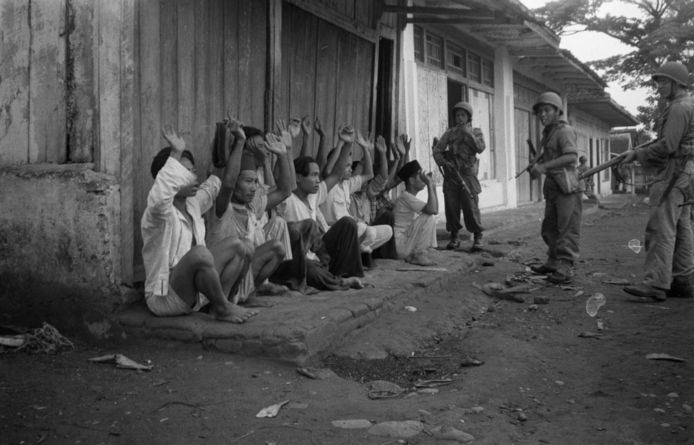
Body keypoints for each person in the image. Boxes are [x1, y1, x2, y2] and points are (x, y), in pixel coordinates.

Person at [140, 125, 258, 323]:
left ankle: (219, 305)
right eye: (185, 174)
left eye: (193, 172)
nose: (194, 177)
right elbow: (160, 194)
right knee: (200, 253)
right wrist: (176, 152)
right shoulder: (158, 213)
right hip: (163, 296)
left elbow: (225, 181)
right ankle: (222, 307)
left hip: (192, 293)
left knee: (240, 245)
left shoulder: (193, 203)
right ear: (170, 178)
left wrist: (238, 142)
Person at [620, 61, 694, 301]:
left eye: (663, 81)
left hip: (674, 172)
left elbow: (668, 146)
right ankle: (682, 279)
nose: (659, 86)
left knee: (661, 228)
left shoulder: (679, 108)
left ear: (676, 83)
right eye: (658, 81)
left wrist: (637, 154)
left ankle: (655, 283)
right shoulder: (687, 104)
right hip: (686, 173)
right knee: (682, 227)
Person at [206, 122, 293, 303]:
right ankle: (224, 302)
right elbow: (228, 182)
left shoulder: (252, 207)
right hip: (219, 278)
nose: (253, 187)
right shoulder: (222, 206)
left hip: (242, 276)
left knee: (277, 248)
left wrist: (282, 155)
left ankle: (250, 293)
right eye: (247, 181)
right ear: (235, 181)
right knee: (244, 245)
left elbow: (285, 191)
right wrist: (240, 141)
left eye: (255, 181)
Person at [529, 91, 583, 284]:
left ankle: (566, 267)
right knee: (549, 227)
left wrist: (543, 167)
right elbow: (553, 156)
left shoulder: (564, 131)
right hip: (553, 186)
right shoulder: (549, 133)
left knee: (566, 228)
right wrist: (538, 163)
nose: (542, 115)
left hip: (567, 186)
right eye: (540, 111)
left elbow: (571, 157)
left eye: (547, 110)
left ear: (557, 111)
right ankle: (553, 262)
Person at [322, 131, 393, 257]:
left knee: (387, 231)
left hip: (353, 230)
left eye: (350, 165)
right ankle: (353, 251)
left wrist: (365, 149)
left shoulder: (346, 184)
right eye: (347, 165)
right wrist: (341, 143)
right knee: (363, 229)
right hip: (333, 231)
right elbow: (329, 169)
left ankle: (355, 250)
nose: (350, 169)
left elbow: (369, 175)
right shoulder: (327, 185)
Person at [433, 101, 486, 251]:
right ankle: (454, 237)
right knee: (451, 206)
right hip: (452, 175)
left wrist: (467, 133)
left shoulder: (476, 132)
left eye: (463, 115)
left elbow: (480, 148)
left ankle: (477, 237)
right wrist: (444, 162)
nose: (460, 118)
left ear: (469, 117)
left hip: (468, 174)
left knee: (471, 206)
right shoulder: (450, 133)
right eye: (457, 115)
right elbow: (437, 150)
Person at [392, 160, 439, 266]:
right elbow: (431, 210)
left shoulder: (408, 197)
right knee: (427, 217)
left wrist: (432, 186)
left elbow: (435, 210)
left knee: (429, 216)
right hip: (400, 245)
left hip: (404, 242)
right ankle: (418, 255)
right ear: (412, 181)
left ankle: (418, 253)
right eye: (420, 176)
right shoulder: (405, 197)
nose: (423, 179)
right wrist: (429, 184)